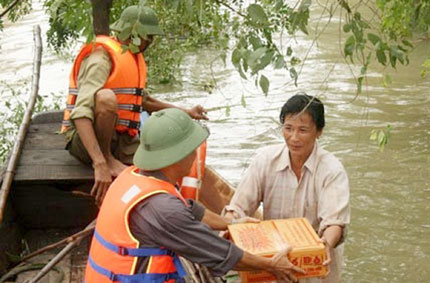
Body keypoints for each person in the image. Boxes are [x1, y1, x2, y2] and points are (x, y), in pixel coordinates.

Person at [84, 108, 305, 283]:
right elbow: (221, 254)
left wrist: (232, 224)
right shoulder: (163, 210)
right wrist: (272, 265)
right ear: (176, 157)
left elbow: (189, 208)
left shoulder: (132, 177)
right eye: (191, 151)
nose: (194, 157)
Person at [60, 5, 208, 204]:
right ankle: (108, 159)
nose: (151, 42)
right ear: (136, 34)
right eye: (149, 36)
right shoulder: (100, 58)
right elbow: (81, 113)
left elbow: (144, 101)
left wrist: (187, 112)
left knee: (168, 157)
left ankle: (176, 201)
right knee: (106, 98)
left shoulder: (131, 56)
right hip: (88, 143)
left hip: (121, 139)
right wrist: (100, 162)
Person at [223, 93, 350, 283]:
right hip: (273, 262)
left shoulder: (332, 170)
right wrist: (229, 226)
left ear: (319, 131)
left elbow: (334, 222)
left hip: (315, 266)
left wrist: (325, 244)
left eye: (303, 130)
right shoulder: (265, 160)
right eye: (288, 128)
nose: (294, 138)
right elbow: (238, 208)